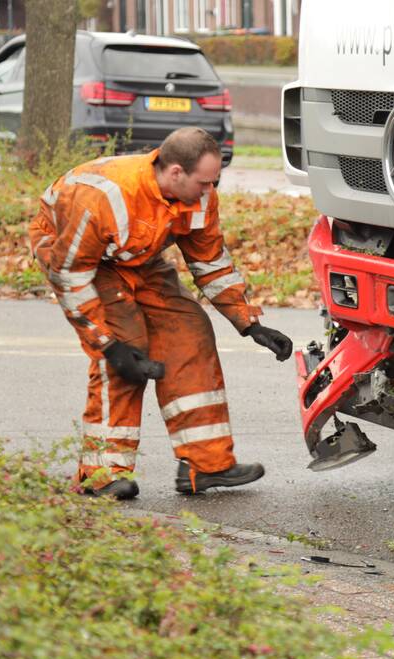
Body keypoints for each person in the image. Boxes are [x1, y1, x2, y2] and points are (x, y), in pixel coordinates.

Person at [28, 127, 293, 500]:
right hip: (77, 257)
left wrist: (249, 323)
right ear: (175, 174)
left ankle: (206, 465)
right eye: (204, 182)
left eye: (214, 181)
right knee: (127, 349)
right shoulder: (102, 197)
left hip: (137, 255)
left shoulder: (198, 196)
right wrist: (107, 345)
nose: (210, 189)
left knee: (190, 330)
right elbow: (71, 275)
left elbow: (210, 260)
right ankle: (101, 475)